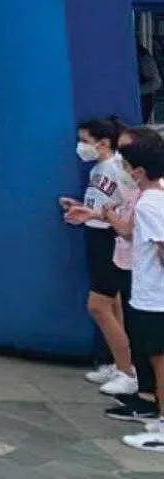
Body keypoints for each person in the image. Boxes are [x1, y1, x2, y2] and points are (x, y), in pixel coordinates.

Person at [65, 118, 138, 391]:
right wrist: (82, 208)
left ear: (103, 143)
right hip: (96, 233)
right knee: (112, 303)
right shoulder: (98, 169)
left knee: (99, 305)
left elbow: (128, 206)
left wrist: (104, 217)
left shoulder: (117, 168)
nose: (81, 146)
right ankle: (119, 364)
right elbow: (104, 204)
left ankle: (127, 370)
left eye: (85, 140)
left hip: (111, 238)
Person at [114, 134, 164, 451]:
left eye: (130, 167)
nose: (128, 173)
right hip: (152, 295)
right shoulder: (157, 199)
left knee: (160, 360)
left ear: (140, 171)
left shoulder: (149, 204)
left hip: (155, 297)